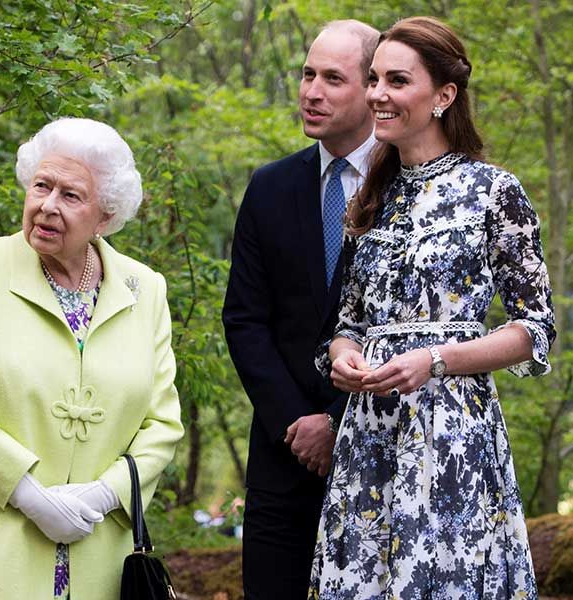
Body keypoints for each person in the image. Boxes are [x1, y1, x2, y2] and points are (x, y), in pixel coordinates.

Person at [309, 16, 555, 599]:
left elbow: (535, 329)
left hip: (451, 434)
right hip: (368, 435)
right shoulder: (371, 194)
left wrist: (436, 360)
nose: (377, 95)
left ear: (444, 95)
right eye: (373, 79)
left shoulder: (493, 190)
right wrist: (344, 357)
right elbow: (347, 324)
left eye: (397, 81)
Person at [0, 117, 184, 600]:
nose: (46, 205)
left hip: (100, 548)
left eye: (70, 195)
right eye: (41, 186)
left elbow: (162, 422)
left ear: (105, 217)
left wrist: (104, 494)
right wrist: (28, 494)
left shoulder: (144, 288)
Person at [222, 20, 380, 600]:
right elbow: (243, 318)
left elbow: (417, 323)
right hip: (281, 452)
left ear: (373, 89)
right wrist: (299, 423)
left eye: (332, 79)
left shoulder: (412, 186)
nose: (311, 91)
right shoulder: (269, 186)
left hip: (381, 448)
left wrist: (337, 421)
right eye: (307, 74)